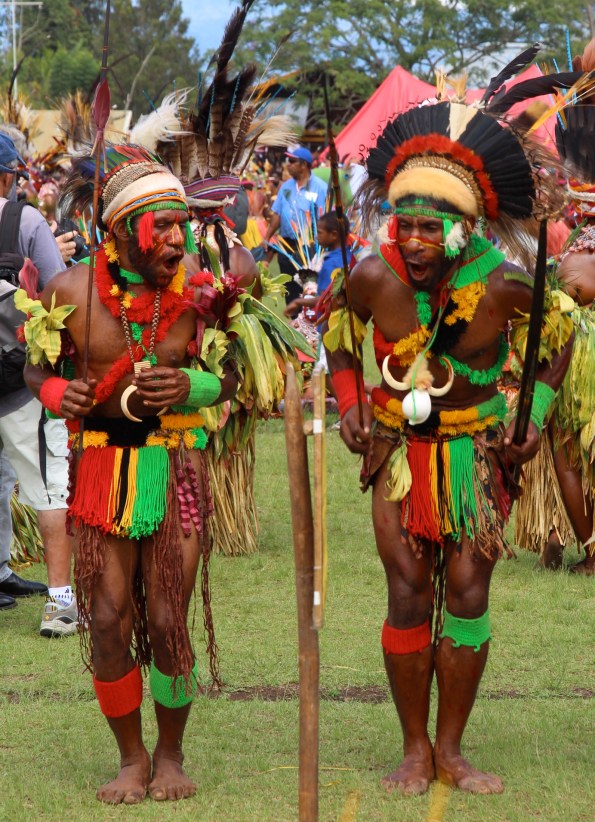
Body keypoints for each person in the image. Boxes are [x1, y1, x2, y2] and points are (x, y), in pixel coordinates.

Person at [322, 81, 574, 796]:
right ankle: (411, 747)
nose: (414, 241)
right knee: (406, 595)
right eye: (404, 225)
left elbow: (557, 339)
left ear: (463, 230)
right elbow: (340, 343)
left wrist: (534, 409)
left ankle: (453, 749)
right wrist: (348, 402)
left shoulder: (503, 286)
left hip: (473, 456)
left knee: (464, 595)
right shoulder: (369, 278)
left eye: (430, 229)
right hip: (400, 454)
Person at [22, 144, 239, 804]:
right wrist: (62, 395)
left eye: (180, 224)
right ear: (117, 232)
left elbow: (232, 376)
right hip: (101, 472)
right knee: (110, 617)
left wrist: (193, 386)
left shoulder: (201, 291)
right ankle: (131, 759)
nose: (177, 239)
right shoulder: (70, 292)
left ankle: (171, 755)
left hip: (175, 469)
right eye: (161, 227)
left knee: (169, 616)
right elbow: (37, 370)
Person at [515, 88, 595, 575]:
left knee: (566, 450)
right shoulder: (573, 254)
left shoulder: (576, 258)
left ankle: (592, 551)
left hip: (578, 358)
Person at [0, 131, 76, 632]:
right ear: (8, 176)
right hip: (19, 382)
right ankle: (62, 604)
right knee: (48, 488)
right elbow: (62, 292)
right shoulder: (22, 218)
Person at [259, 145, 328, 308]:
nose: (287, 164)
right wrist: (267, 237)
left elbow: (324, 219)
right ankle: (294, 321)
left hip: (308, 248)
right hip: (286, 246)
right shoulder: (286, 187)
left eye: (292, 161)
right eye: (287, 160)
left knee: (308, 287)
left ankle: (307, 323)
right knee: (289, 286)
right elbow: (277, 215)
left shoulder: (320, 188)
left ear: (304, 165)